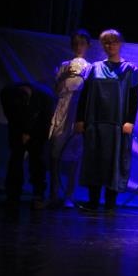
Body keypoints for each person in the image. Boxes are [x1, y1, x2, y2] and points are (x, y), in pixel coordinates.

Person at [75, 29, 138, 212]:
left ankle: (110, 203)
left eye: (114, 42)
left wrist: (130, 121)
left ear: (120, 44)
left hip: (117, 125)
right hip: (94, 122)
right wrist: (80, 119)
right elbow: (84, 96)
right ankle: (93, 201)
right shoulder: (94, 68)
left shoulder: (129, 70)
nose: (110, 45)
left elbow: (134, 98)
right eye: (106, 42)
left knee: (114, 161)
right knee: (94, 160)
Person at [47, 29, 91, 209]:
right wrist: (64, 76)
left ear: (87, 46)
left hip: (78, 112)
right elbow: (56, 90)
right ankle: (54, 193)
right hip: (62, 109)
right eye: (75, 44)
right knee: (55, 153)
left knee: (75, 155)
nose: (78, 47)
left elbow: (88, 93)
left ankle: (69, 195)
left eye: (82, 43)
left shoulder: (90, 68)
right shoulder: (64, 65)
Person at [0, 81, 55, 209]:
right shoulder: (7, 94)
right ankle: (12, 195)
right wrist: (22, 132)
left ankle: (38, 194)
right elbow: (11, 116)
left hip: (38, 129)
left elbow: (45, 121)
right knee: (15, 159)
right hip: (17, 129)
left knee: (37, 160)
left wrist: (30, 133)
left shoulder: (45, 98)